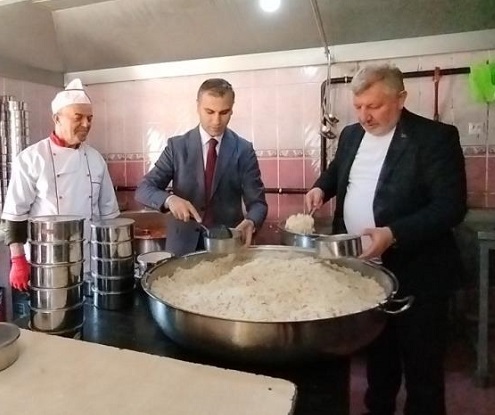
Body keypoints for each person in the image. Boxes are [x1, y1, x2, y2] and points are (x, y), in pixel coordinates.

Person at [305, 64, 467, 415]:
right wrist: (321, 187)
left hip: (418, 275)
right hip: (365, 274)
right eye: (358, 106)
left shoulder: (434, 138)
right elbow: (338, 171)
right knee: (379, 362)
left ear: (401, 98)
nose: (364, 116)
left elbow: (450, 207)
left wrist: (393, 234)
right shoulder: (351, 135)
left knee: (423, 368)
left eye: (374, 106)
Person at [3, 79, 119, 291]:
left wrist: (113, 256)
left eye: (90, 118)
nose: (86, 124)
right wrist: (18, 260)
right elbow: (15, 215)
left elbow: (109, 216)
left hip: (90, 263)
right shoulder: (31, 158)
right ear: (57, 118)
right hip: (47, 263)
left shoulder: (96, 159)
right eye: (78, 117)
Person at [135, 78, 267, 256]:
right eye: (209, 111)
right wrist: (170, 200)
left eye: (224, 112)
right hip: (182, 249)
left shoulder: (243, 150)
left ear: (232, 109)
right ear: (198, 106)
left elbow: (258, 204)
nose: (216, 120)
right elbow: (144, 189)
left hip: (227, 248)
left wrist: (251, 221)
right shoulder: (177, 147)